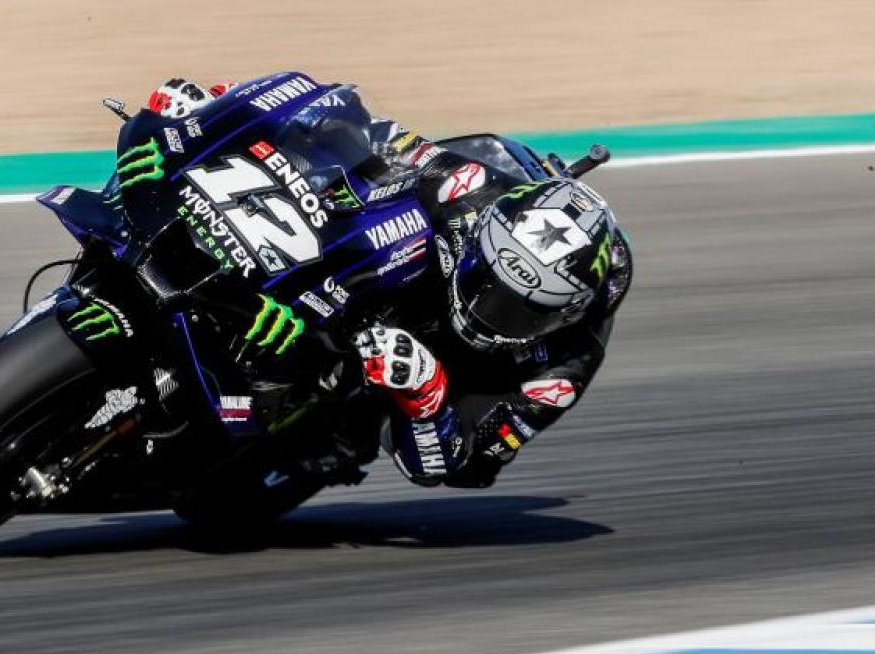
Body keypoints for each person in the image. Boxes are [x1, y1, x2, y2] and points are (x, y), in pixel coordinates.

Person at [145, 77, 633, 488]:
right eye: (487, 282)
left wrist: (427, 393)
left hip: (447, 376)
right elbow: (369, 134)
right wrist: (225, 115)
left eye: (517, 310)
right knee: (341, 187)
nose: (487, 311)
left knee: (364, 432)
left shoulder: (566, 365)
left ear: (561, 315)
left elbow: (465, 467)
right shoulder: (465, 191)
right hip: (400, 285)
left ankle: (329, 426)